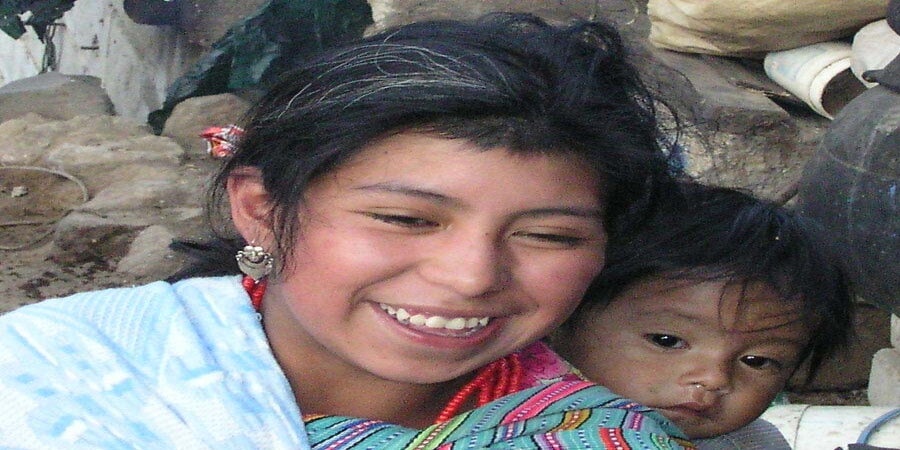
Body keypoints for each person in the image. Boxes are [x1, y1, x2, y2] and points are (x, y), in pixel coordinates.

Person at [0, 13, 698, 449]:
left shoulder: (610, 432)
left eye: (548, 236)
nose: (471, 276)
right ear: (261, 210)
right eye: (404, 219)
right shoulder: (46, 380)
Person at [552, 183, 855, 448]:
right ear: (563, 318)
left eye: (756, 361)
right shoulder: (536, 431)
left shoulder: (752, 443)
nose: (713, 378)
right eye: (667, 341)